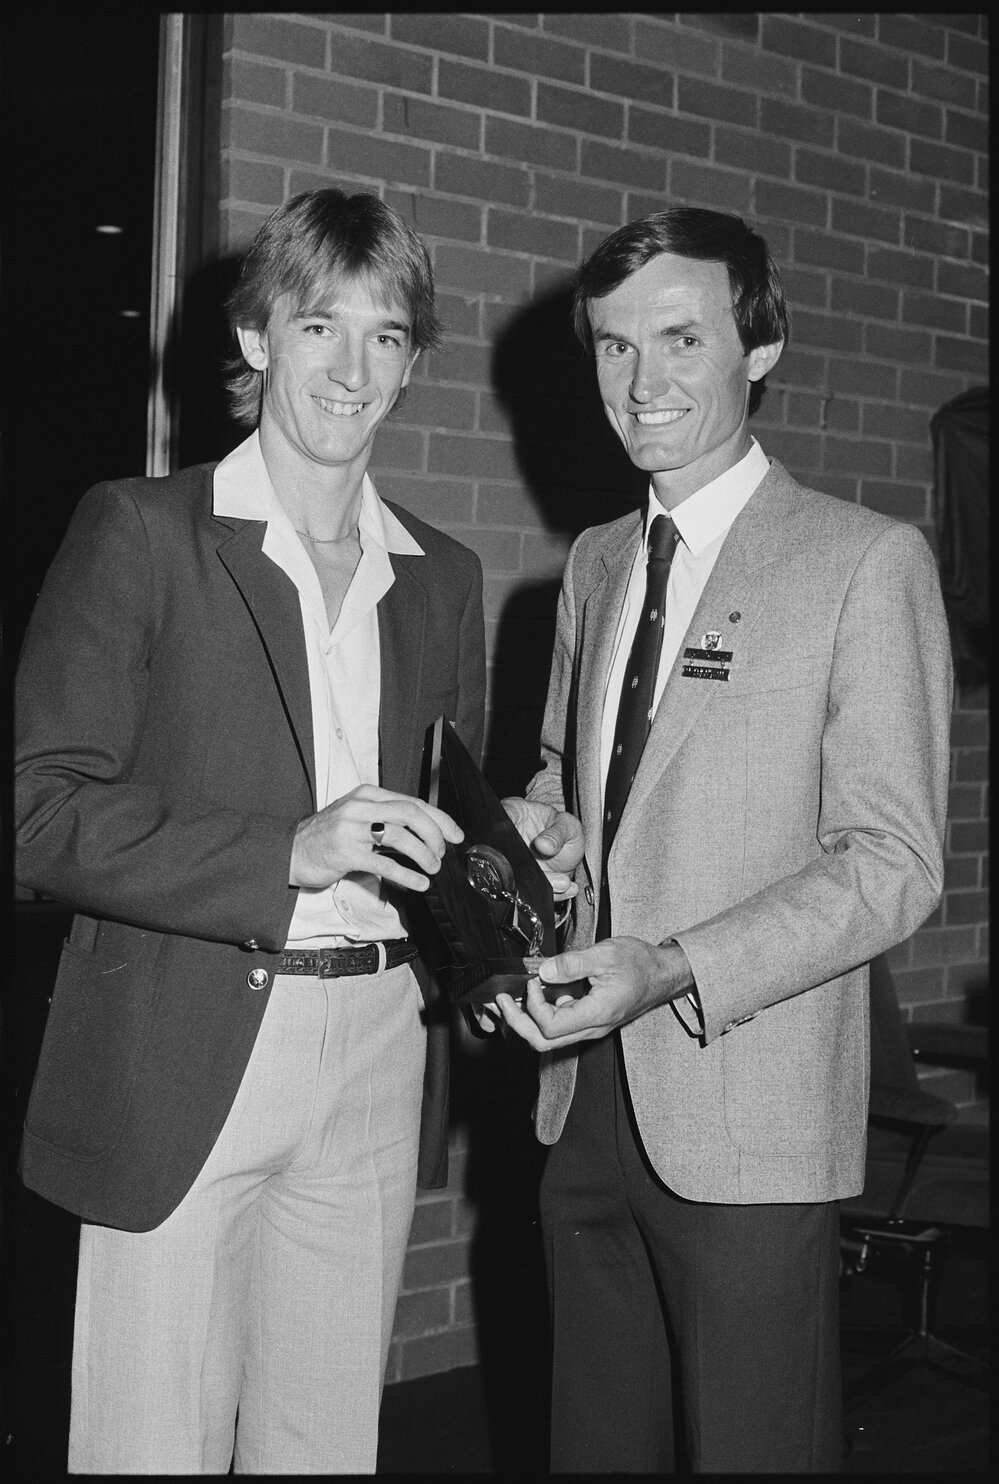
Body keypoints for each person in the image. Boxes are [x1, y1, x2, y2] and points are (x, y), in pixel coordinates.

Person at [15, 188, 485, 1474]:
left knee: (324, 1444)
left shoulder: (442, 575)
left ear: (413, 363)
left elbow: (440, 815)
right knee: (147, 1443)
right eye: (319, 324)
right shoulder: (140, 531)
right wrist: (287, 849)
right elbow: (37, 808)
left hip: (379, 1040)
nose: (351, 368)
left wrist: (510, 855)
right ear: (256, 337)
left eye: (387, 335)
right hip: (184, 1037)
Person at [493, 207, 953, 1472]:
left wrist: (673, 965)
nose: (642, 380)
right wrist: (545, 831)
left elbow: (893, 861)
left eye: (682, 338)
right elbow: (570, 777)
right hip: (581, 1097)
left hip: (750, 1111)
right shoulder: (594, 564)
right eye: (614, 345)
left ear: (761, 346)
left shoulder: (865, 562)